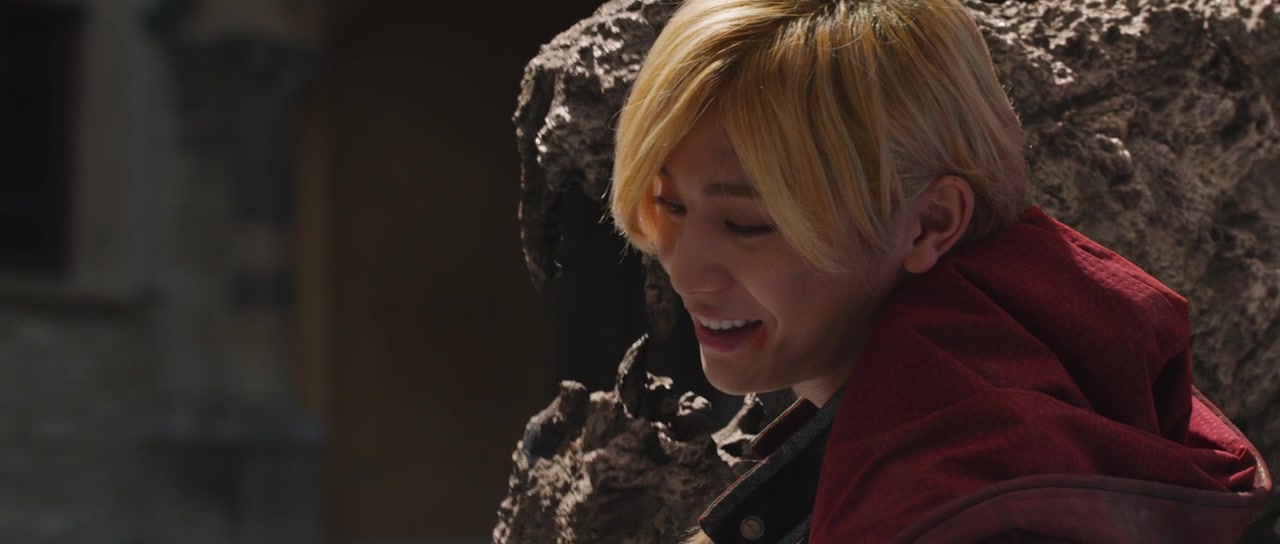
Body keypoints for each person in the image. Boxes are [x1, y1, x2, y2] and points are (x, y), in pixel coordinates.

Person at [607, 0, 1273, 542]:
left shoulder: (961, 506)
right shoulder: (1018, 400)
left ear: (929, 222)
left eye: (748, 223)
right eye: (671, 205)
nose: (684, 269)